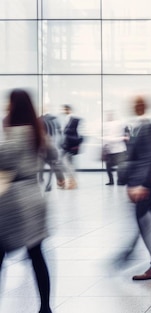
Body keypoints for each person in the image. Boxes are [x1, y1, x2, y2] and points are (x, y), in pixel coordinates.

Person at [0, 89, 53, 313]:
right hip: (34, 196)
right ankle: (45, 307)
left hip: (14, 199)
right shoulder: (37, 130)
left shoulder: (16, 131)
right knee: (37, 254)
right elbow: (54, 155)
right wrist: (63, 176)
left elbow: (6, 160)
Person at [125, 96, 151, 281]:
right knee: (147, 226)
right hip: (142, 185)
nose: (135, 106)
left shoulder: (146, 127)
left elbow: (147, 158)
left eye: (138, 103)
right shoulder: (137, 126)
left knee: (146, 227)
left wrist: (141, 184)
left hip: (145, 187)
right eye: (134, 103)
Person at [39, 110, 66, 191]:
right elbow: (59, 132)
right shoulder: (53, 120)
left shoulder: (40, 120)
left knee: (45, 165)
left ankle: (46, 182)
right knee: (54, 165)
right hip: (51, 144)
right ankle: (55, 182)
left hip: (45, 145)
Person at [59, 104, 82, 189]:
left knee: (66, 163)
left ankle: (72, 181)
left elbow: (68, 132)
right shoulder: (72, 119)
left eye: (64, 109)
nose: (63, 111)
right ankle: (72, 181)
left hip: (69, 145)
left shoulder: (72, 119)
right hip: (70, 145)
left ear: (68, 110)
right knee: (70, 163)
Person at [102, 111, 128, 186]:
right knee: (109, 167)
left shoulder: (118, 124)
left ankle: (119, 181)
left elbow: (111, 138)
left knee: (120, 168)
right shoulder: (108, 125)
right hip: (111, 150)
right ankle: (112, 181)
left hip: (119, 150)